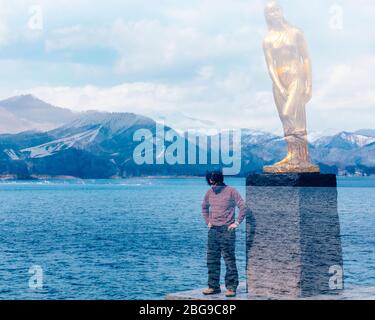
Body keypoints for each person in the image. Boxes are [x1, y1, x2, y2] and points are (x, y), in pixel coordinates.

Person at [201, 171, 247, 298]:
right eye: (210, 181)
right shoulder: (209, 192)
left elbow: (243, 207)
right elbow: (204, 207)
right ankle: (213, 287)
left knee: (229, 259)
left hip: (227, 230)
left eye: (214, 181)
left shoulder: (231, 191)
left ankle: (231, 288)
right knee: (212, 260)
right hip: (213, 230)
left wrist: (236, 223)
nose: (212, 184)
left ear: (219, 180)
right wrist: (208, 222)